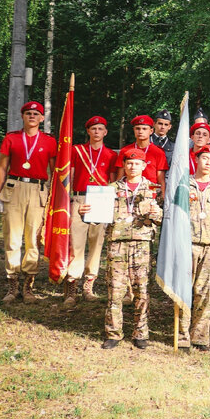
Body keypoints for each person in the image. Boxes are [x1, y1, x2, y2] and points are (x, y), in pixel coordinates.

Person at [91, 148, 163, 349]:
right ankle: (113, 333)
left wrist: (156, 212)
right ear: (124, 165)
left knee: (142, 290)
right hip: (118, 244)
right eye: (129, 163)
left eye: (137, 163)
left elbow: (161, 219)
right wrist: (85, 213)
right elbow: (98, 217)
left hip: (142, 244)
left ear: (144, 165)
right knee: (115, 290)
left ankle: (141, 332)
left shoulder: (153, 189)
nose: (133, 167)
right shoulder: (110, 189)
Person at [0, 100, 57, 302]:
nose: (32, 116)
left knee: (33, 239)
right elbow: (2, 167)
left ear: (42, 118)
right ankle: (12, 285)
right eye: (28, 113)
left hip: (38, 190)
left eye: (35, 113)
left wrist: (54, 196)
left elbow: (55, 171)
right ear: (22, 116)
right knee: (12, 238)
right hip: (14, 187)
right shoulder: (12, 138)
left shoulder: (49, 141)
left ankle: (28, 285)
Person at [65, 115, 117, 306]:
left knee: (96, 244)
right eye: (93, 129)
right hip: (79, 198)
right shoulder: (76, 150)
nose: (96, 132)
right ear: (88, 131)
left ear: (105, 132)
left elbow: (112, 181)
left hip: (101, 200)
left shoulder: (111, 154)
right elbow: (68, 175)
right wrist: (68, 198)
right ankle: (72, 284)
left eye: (100, 129)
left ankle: (89, 284)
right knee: (76, 242)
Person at [183, 144, 210, 350]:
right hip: (186, 244)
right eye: (204, 158)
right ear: (197, 159)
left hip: (209, 247)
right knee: (183, 290)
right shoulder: (184, 185)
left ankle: (200, 336)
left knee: (204, 290)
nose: (207, 162)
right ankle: (182, 335)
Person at [114, 115, 169, 190]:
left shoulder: (158, 152)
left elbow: (161, 180)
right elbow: (119, 178)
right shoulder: (125, 151)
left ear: (151, 131)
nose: (140, 131)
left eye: (144, 129)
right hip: (128, 191)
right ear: (134, 130)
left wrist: (162, 198)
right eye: (137, 128)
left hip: (150, 192)